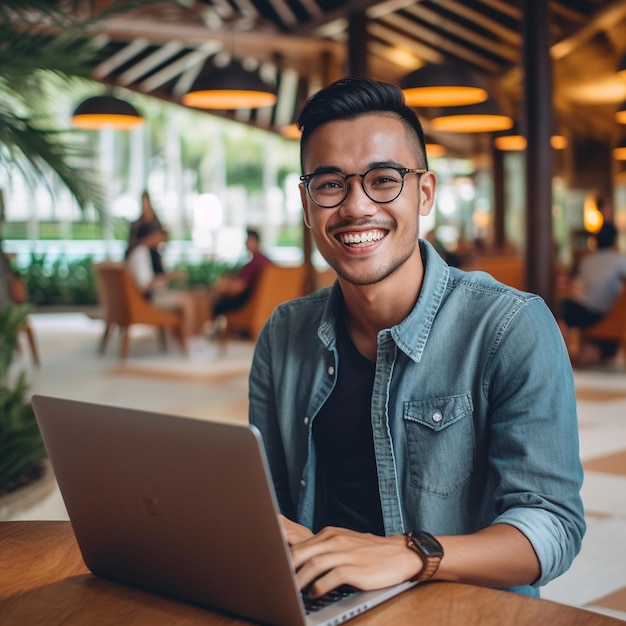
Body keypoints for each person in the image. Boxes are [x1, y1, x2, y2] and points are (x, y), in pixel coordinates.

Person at [248, 78, 585, 600]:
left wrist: (410, 553)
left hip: (457, 607)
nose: (357, 206)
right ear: (307, 201)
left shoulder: (510, 327)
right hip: (323, 602)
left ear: (424, 192)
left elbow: (553, 527)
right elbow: (263, 497)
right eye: (331, 183)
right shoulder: (283, 333)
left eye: (384, 179)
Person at [126, 223, 210, 352]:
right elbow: (147, 285)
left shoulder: (148, 252)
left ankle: (194, 339)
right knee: (189, 300)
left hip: (155, 295)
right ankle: (190, 344)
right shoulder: (141, 252)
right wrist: (171, 276)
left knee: (198, 298)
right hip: (150, 298)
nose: (162, 240)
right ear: (151, 235)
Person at [560, 221, 626, 363]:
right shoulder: (620, 261)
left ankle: (561, 353)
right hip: (606, 312)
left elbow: (576, 282)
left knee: (563, 309)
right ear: (615, 240)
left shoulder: (586, 261)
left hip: (585, 310)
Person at [211, 228, 273, 318]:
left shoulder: (254, 262)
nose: (245, 243)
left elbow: (238, 287)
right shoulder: (266, 261)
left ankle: (214, 330)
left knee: (217, 304)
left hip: (249, 305)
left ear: (254, 241)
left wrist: (223, 287)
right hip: (262, 305)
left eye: (247, 240)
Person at [125, 191, 167, 274]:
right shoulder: (136, 225)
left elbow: (163, 238)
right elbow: (130, 246)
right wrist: (147, 242)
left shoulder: (156, 223)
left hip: (154, 263)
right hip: (142, 265)